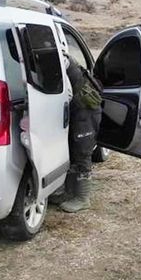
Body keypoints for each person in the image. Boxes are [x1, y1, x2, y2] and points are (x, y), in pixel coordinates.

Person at [52, 54, 103, 213]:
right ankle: (67, 192)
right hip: (77, 110)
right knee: (71, 150)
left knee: (82, 152)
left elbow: (63, 93)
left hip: (86, 112)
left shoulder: (60, 61)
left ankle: (83, 198)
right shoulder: (60, 58)